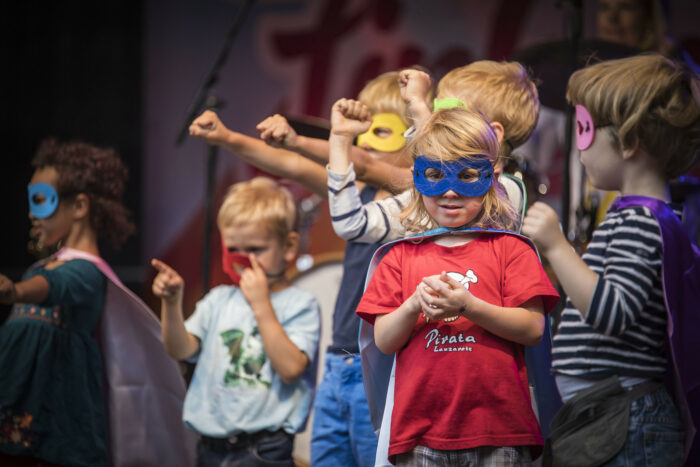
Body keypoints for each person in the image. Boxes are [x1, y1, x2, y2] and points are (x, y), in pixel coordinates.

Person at [190, 70, 431, 467]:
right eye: (362, 132)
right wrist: (225, 136)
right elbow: (289, 166)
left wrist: (303, 141)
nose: (367, 142)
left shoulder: (418, 199)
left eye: (382, 130)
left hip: (383, 363)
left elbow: (364, 163)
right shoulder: (357, 193)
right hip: (339, 360)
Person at [348, 106, 559, 466]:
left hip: (501, 431)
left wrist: (469, 306)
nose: (449, 191)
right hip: (419, 435)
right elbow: (382, 340)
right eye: (434, 174)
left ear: (491, 176)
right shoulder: (399, 257)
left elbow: (533, 328)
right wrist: (414, 303)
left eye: (466, 175)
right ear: (417, 177)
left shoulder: (511, 250)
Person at [522, 53, 700, 466]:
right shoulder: (644, 217)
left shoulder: (640, 221)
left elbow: (612, 311)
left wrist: (556, 246)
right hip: (612, 415)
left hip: (626, 418)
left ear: (629, 140)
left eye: (584, 130)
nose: (577, 146)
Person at [0, 139, 194, 467]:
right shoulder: (47, 266)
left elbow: (58, 285)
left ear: (79, 207)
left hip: (51, 436)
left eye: (42, 201)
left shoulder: (86, 273)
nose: (33, 214)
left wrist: (16, 292)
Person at [152, 176, 320, 467]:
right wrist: (171, 302)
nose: (244, 261)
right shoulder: (218, 300)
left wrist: (260, 305)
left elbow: (292, 368)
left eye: (256, 249)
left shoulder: (300, 305)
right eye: (234, 250)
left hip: (266, 449)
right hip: (211, 447)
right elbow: (180, 349)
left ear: (289, 247)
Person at [326, 60, 539, 245]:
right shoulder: (429, 199)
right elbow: (352, 224)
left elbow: (440, 154)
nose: (435, 118)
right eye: (435, 110)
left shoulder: (506, 192)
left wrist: (418, 106)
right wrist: (340, 140)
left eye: (448, 111)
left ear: (493, 133)